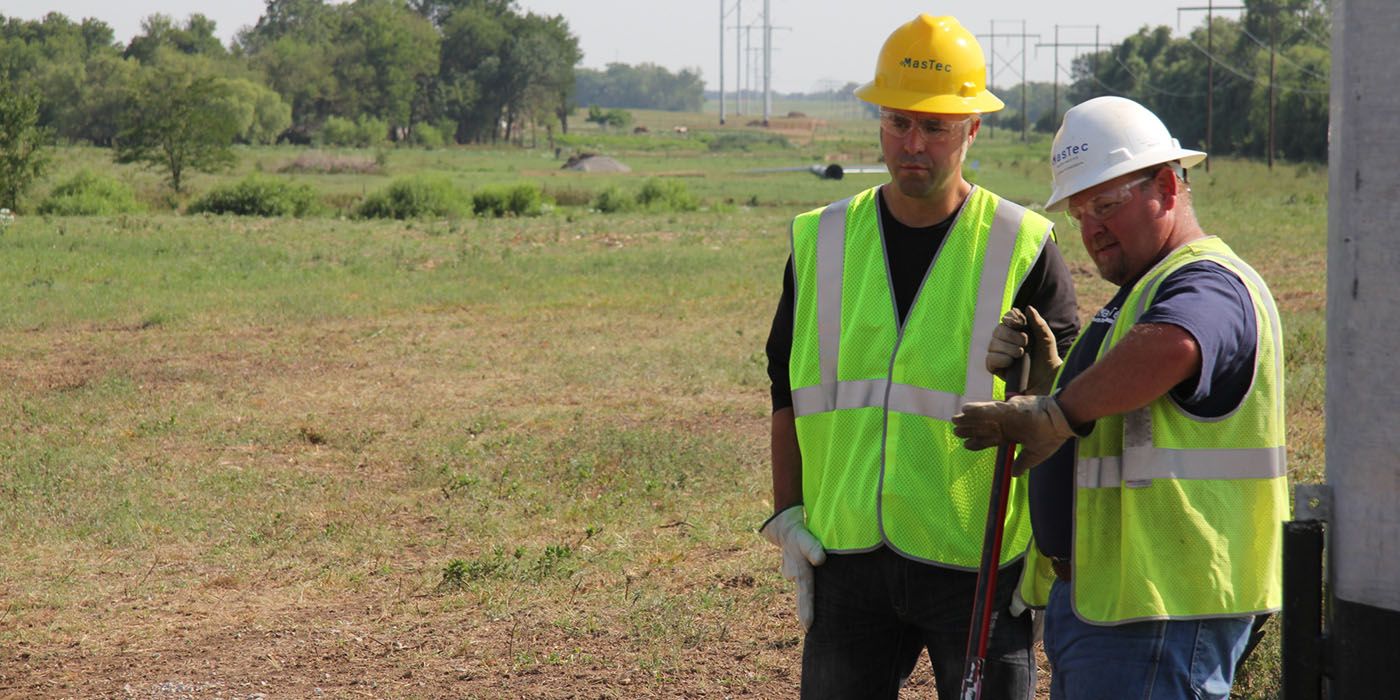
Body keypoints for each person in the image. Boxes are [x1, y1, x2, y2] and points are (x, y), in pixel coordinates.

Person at [759, 14, 1079, 699]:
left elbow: (1065, 408)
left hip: (978, 557)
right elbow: (786, 388)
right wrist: (787, 515)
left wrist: (1050, 548)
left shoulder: (1022, 243)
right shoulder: (822, 240)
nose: (913, 144)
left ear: (972, 130)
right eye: (898, 122)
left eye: (935, 128)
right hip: (847, 555)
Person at [952, 96, 1288, 700]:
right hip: (1114, 606)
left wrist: (1056, 412)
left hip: (1160, 613)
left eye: (1106, 205)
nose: (1092, 230)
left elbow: (1178, 345)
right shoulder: (1140, 290)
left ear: (1165, 184)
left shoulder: (1206, 280)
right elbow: (1116, 421)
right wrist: (1044, 387)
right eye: (1080, 213)